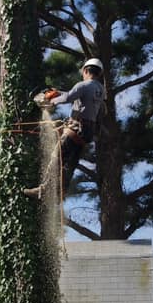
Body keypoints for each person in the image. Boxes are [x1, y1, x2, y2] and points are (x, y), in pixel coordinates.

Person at [24, 58, 105, 199]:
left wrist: (51, 100)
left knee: (56, 157)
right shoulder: (100, 89)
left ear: (86, 71)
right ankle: (61, 192)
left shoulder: (84, 85)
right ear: (99, 73)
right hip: (88, 132)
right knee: (71, 163)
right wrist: (57, 92)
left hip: (76, 128)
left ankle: (43, 190)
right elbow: (75, 95)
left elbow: (69, 97)